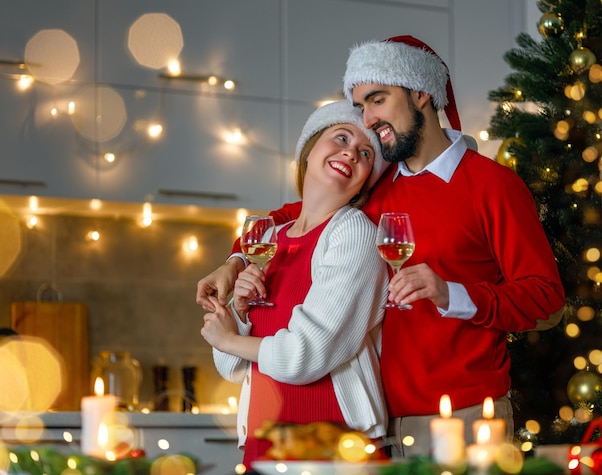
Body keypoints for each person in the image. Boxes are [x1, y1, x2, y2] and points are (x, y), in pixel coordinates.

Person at [197, 35, 566, 458]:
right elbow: (294, 215)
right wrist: (236, 259)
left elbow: (547, 301)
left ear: (421, 92)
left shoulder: (493, 186)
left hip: (461, 417)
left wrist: (452, 294)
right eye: (360, 107)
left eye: (377, 100)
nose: (367, 119)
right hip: (379, 425)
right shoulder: (376, 186)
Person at [200, 100, 390, 470]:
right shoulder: (269, 239)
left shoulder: (354, 232)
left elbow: (309, 354)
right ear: (309, 151)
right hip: (265, 438)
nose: (350, 152)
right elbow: (233, 367)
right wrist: (238, 313)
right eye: (340, 137)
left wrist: (231, 339)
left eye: (365, 152)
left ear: (365, 179)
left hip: (334, 444)